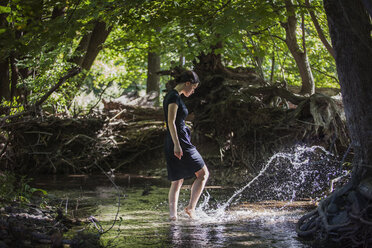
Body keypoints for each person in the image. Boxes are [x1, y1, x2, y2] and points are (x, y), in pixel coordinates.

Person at [163, 70, 209, 221]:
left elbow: (175, 121)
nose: (194, 90)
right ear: (187, 83)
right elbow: (170, 121)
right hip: (179, 141)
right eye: (194, 87)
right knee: (203, 174)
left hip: (176, 140)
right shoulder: (174, 97)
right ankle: (190, 208)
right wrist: (177, 145)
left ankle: (173, 216)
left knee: (177, 179)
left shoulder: (174, 96)